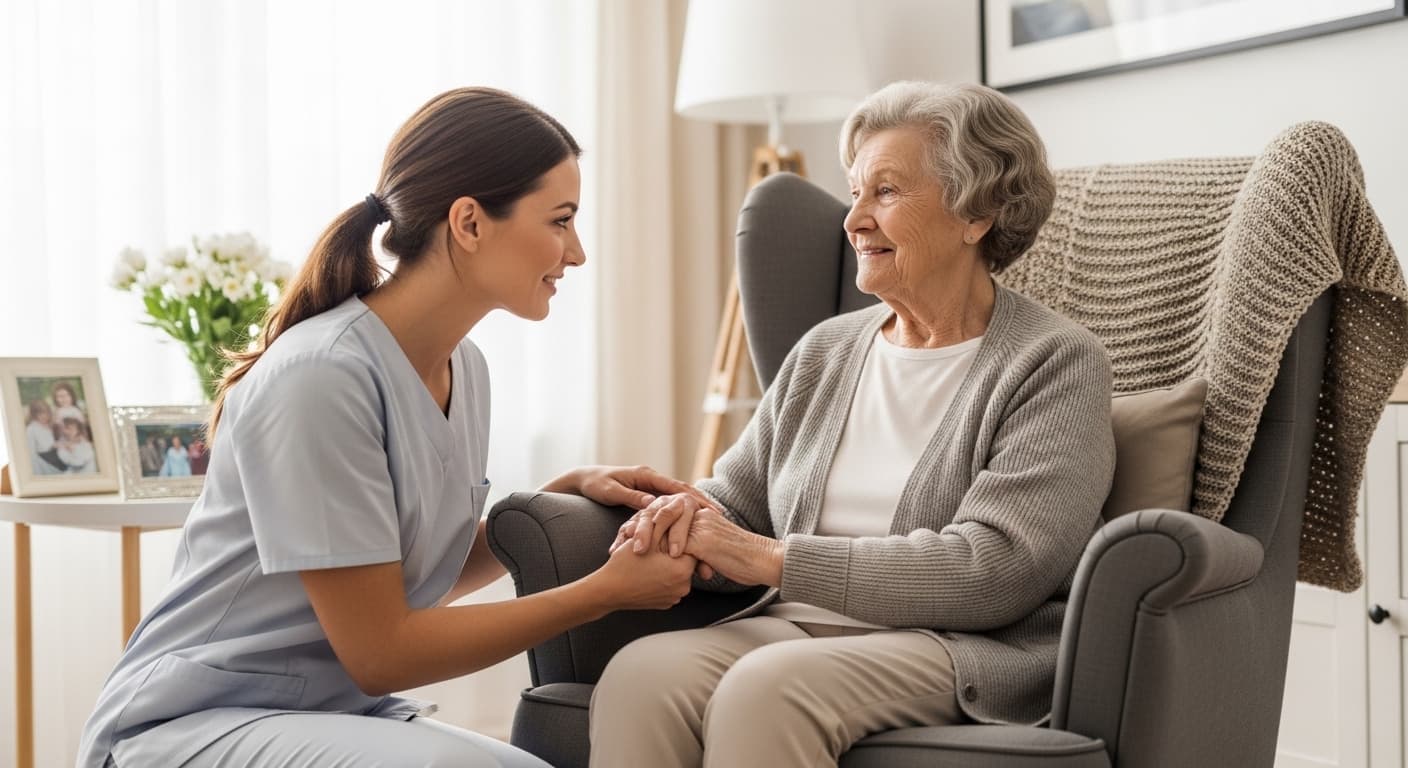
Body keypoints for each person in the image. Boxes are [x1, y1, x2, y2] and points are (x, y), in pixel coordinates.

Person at [79, 87, 697, 768]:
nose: (576, 253)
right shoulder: (320, 377)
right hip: (192, 726)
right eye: (560, 221)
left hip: (315, 715)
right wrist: (602, 595)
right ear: (468, 223)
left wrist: (559, 490)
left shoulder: (465, 368)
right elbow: (381, 651)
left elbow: (403, 580)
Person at [590, 81, 1116, 767]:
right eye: (855, 191)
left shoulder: (1055, 362)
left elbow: (995, 568)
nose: (854, 219)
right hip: (797, 630)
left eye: (887, 193)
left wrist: (772, 559)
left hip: (961, 648)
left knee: (768, 690)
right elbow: (738, 500)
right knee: (643, 675)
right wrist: (677, 518)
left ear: (977, 212)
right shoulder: (827, 350)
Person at [24, 399, 65, 475]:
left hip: (55, 459)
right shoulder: (31, 429)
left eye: (46, 413)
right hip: (44, 462)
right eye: (40, 414)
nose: (44, 416)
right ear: (34, 415)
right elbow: (32, 453)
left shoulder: (48, 425)